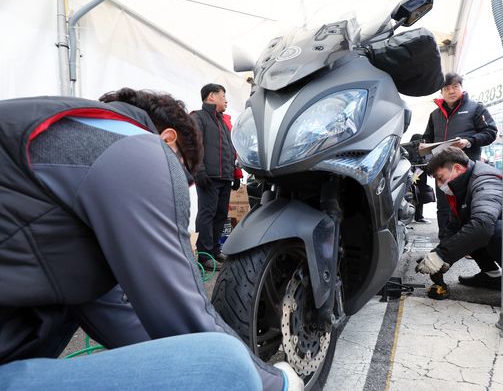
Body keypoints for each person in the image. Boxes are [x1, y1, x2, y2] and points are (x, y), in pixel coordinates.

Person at [0, 89, 301, 391]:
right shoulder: (136, 146)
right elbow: (184, 318)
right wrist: (278, 382)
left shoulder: (61, 130)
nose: (178, 187)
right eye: (182, 176)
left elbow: (118, 316)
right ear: (169, 139)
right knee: (226, 368)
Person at [421, 72, 498, 239]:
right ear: (441, 92)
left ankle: (470, 244)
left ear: (461, 88)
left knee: (468, 205)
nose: (451, 91)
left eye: (455, 86)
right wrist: (427, 155)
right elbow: (428, 138)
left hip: (466, 168)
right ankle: (445, 242)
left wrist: (468, 141)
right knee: (443, 207)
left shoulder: (476, 108)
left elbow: (491, 132)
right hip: (442, 169)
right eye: (446, 88)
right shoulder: (434, 115)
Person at [415, 147, 503, 292]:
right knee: (466, 226)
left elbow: (482, 226)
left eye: (440, 177)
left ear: (457, 168)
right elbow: (453, 228)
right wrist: (437, 255)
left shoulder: (485, 181)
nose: (438, 184)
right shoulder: (463, 186)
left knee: (492, 230)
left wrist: (442, 255)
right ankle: (492, 276)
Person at [191, 84, 243, 270]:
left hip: (224, 177)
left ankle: (214, 250)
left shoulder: (223, 121)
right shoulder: (198, 117)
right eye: (223, 95)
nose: (226, 100)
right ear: (211, 96)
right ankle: (204, 256)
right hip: (208, 176)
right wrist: (199, 171)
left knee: (221, 215)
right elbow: (194, 146)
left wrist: (236, 173)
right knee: (207, 214)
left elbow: (231, 150)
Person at [402, 133, 435, 223]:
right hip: (418, 174)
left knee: (412, 195)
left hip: (413, 174)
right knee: (417, 195)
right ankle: (418, 216)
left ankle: (414, 216)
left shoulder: (407, 148)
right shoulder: (416, 149)